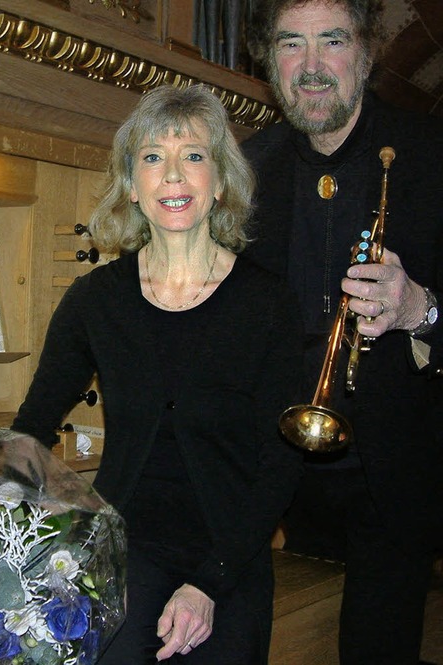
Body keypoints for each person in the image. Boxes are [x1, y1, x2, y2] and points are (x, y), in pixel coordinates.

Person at [11, 84, 304, 664]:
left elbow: (281, 463)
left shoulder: (268, 303)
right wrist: (3, 518)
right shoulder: (96, 300)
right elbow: (32, 427)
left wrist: (210, 584)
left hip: (231, 549)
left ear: (220, 183)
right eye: (152, 157)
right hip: (126, 545)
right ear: (132, 186)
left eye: (194, 156)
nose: (173, 175)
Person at [243, 1, 443, 663]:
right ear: (269, 61)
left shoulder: (432, 157)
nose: (313, 67)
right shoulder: (244, 169)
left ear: (365, 51)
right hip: (275, 472)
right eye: (291, 45)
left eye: (332, 41)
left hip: (395, 476)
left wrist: (420, 309)